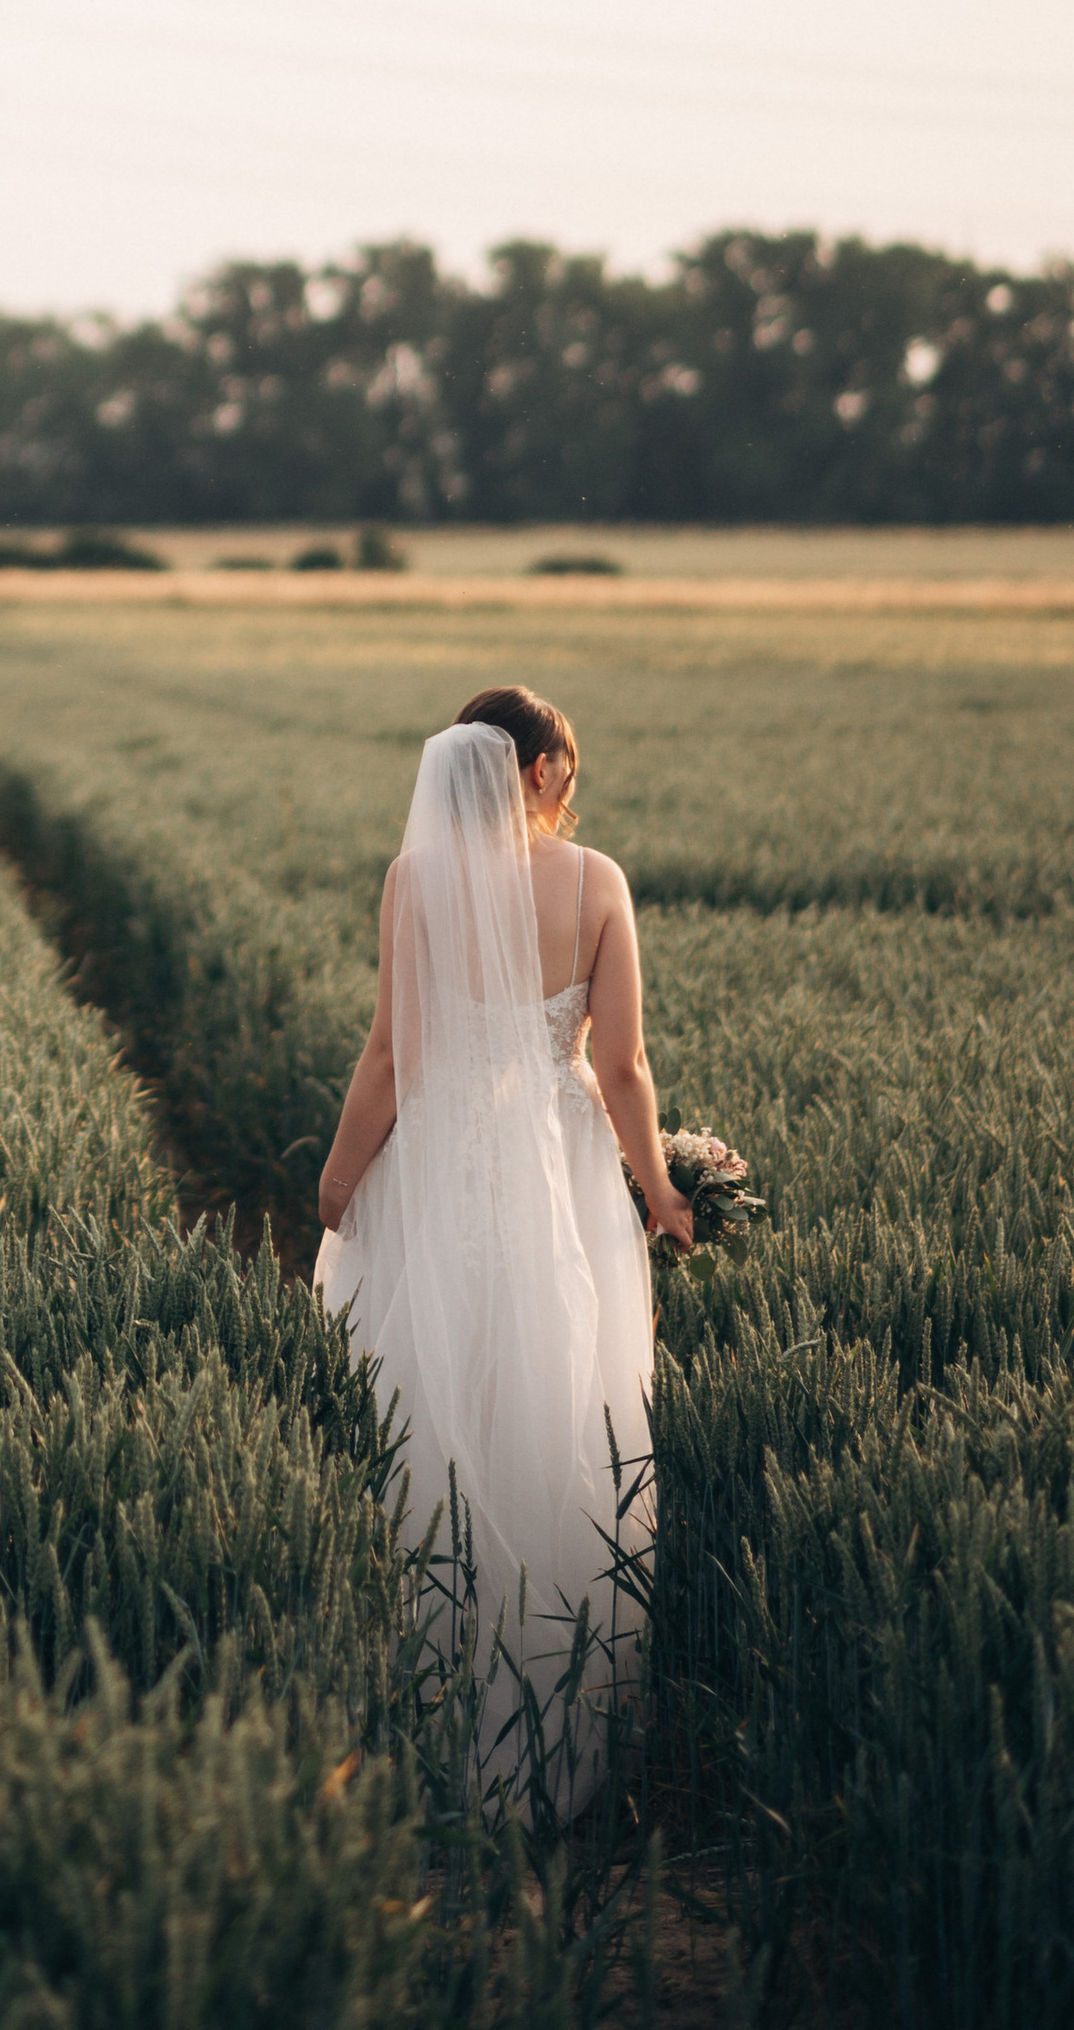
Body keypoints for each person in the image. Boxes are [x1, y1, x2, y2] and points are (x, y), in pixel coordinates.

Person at [313, 685, 692, 1812]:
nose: (569, 787)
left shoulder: (414, 879)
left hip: (442, 1157)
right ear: (533, 770)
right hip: (559, 1165)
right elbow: (620, 1067)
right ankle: (561, 1732)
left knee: (438, 1403)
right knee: (566, 1403)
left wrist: (338, 1182)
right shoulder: (595, 881)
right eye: (563, 766)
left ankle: (429, 1718)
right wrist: (660, 1188)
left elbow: (391, 1053)